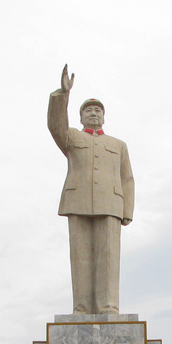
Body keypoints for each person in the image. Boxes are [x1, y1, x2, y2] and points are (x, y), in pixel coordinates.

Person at [48, 64, 135, 316]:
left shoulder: (118, 145)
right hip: (78, 201)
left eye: (98, 110)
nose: (94, 113)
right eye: (88, 110)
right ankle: (82, 308)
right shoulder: (73, 138)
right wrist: (62, 95)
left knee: (108, 259)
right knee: (81, 258)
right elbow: (56, 127)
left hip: (111, 204)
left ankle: (108, 307)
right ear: (81, 117)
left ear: (104, 117)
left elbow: (127, 177)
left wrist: (127, 209)